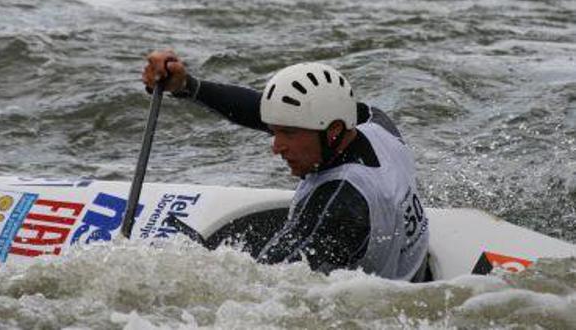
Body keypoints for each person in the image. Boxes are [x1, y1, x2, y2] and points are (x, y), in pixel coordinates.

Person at [142, 50, 430, 282]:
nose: (276, 147)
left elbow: (266, 286)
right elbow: (263, 109)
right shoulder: (373, 122)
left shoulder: (337, 206)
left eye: (289, 134)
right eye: (275, 131)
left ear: (333, 132)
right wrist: (187, 86)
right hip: (413, 263)